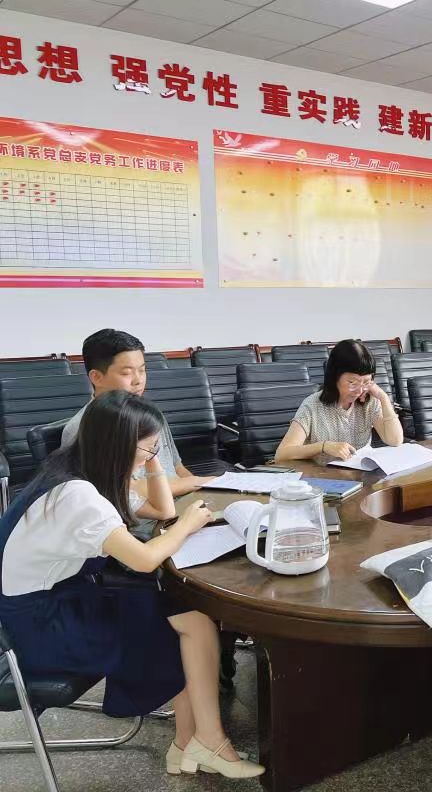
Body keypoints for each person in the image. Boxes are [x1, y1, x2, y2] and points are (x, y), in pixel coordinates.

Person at [0, 391, 263, 778]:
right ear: (117, 445)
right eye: (148, 448)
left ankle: (193, 743)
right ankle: (202, 743)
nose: (152, 455)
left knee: (183, 611)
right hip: (38, 629)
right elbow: (143, 558)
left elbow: (163, 510)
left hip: (58, 599)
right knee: (175, 619)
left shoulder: (82, 468)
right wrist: (190, 525)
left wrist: (151, 459)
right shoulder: (77, 496)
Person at [60, 329, 217, 536]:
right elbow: (123, 491)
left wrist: (202, 494)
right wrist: (197, 482)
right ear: (97, 377)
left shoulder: (147, 413)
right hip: (143, 528)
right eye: (127, 373)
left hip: (180, 509)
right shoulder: (84, 429)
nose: (138, 380)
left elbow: (177, 467)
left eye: (142, 370)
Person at [275, 339, 403, 463]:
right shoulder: (312, 406)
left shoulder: (369, 401)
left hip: (361, 473)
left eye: (366, 382)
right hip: (324, 474)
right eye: (352, 382)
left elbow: (395, 440)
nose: (359, 390)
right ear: (334, 377)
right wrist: (323, 446)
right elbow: (281, 454)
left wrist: (383, 397)